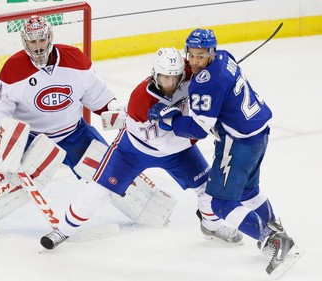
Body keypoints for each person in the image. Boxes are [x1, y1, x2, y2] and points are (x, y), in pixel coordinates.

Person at [0, 15, 169, 239]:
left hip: (75, 134)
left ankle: (150, 208)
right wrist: (6, 136)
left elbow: (97, 96)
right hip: (35, 140)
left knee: (111, 171)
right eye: (32, 42)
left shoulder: (75, 59)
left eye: (41, 41)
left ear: (50, 37)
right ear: (25, 42)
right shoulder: (13, 69)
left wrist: (114, 110)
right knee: (14, 182)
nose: (38, 47)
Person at [40, 47, 243, 250]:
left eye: (175, 78)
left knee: (208, 188)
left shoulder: (189, 73)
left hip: (178, 149)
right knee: (98, 190)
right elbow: (161, 142)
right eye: (164, 78)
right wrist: (175, 124)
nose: (171, 84)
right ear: (154, 74)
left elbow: (209, 67)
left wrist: (215, 78)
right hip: (134, 149)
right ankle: (64, 230)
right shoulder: (140, 100)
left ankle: (211, 227)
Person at [148, 29, 303, 277]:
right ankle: (274, 227)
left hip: (238, 142)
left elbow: (197, 130)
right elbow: (216, 88)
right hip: (259, 133)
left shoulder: (204, 83)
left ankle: (273, 241)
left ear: (212, 53)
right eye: (192, 55)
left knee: (220, 203)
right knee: (248, 191)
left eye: (201, 56)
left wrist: (170, 119)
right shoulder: (225, 58)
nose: (195, 62)